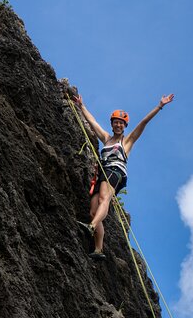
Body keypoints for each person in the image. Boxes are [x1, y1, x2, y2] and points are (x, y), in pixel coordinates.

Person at [74, 93, 175, 259]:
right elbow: (93, 122)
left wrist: (160, 106)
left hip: (116, 171)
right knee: (93, 210)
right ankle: (98, 249)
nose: (118, 125)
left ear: (125, 125)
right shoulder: (107, 138)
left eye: (121, 123)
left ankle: (91, 227)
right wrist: (82, 106)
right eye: (116, 123)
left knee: (104, 199)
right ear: (112, 125)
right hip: (103, 172)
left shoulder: (127, 142)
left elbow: (143, 123)